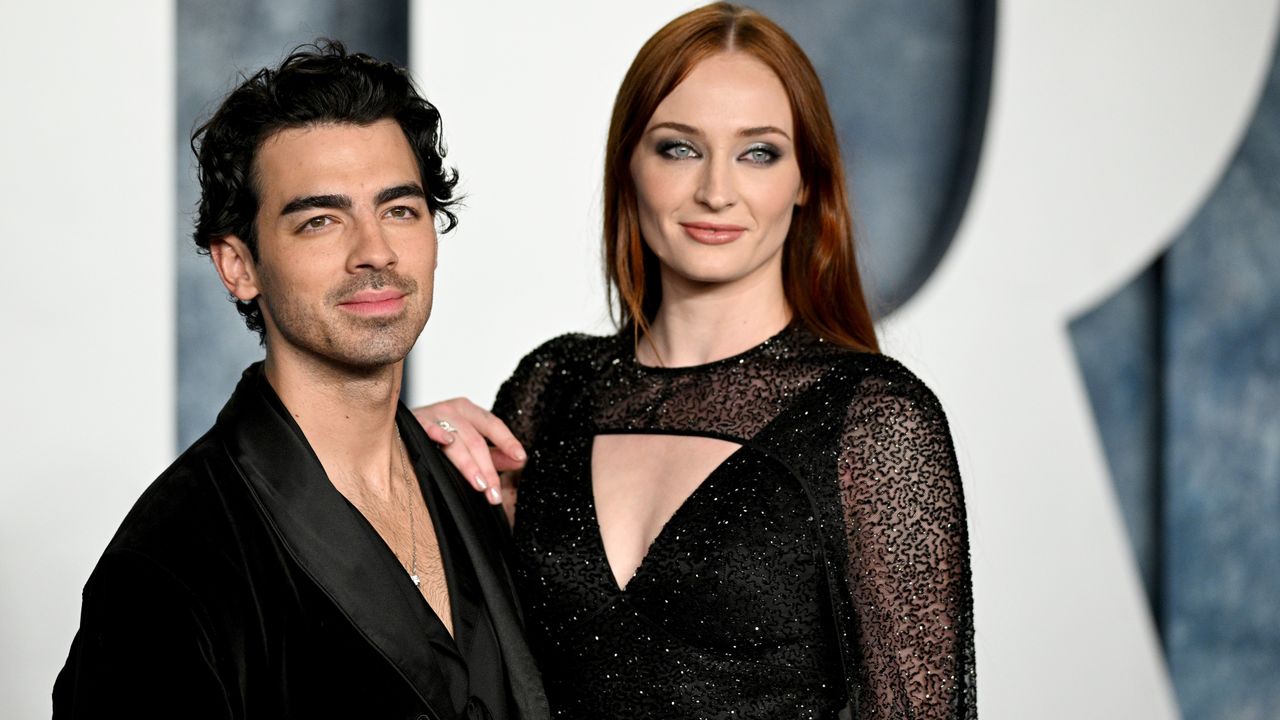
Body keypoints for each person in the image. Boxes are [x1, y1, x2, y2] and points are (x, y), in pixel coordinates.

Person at [415, 3, 976, 718]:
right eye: (679, 147)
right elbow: (457, 669)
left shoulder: (871, 418)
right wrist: (405, 464)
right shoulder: (552, 386)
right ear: (630, 165)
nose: (716, 190)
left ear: (807, 180)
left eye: (759, 152)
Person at [53, 42, 547, 720]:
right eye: (320, 220)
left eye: (399, 210)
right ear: (239, 265)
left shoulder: (474, 491)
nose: (374, 251)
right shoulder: (169, 565)